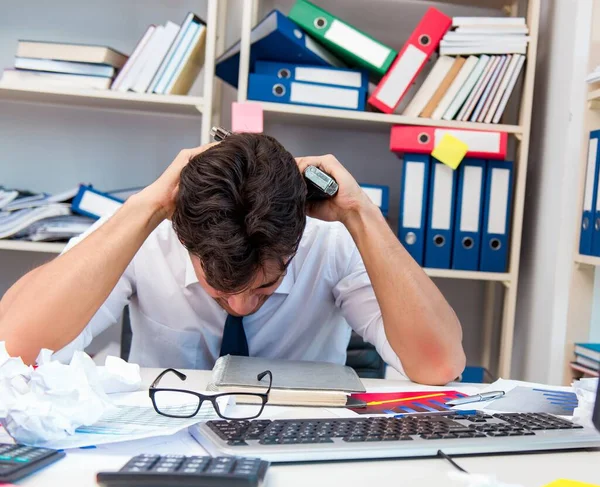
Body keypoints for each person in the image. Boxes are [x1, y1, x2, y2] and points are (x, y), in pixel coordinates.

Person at [0, 133, 465, 385]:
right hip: (162, 441)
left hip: (305, 447)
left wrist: (361, 213)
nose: (241, 306)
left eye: (264, 288)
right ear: (184, 239)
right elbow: (11, 348)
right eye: (220, 292)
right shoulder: (148, 231)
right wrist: (147, 205)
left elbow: (439, 366)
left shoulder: (330, 239)